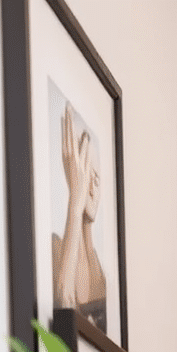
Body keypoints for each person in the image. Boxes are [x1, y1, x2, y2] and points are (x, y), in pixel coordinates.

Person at [52, 103, 107, 332]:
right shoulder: (56, 246)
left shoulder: (98, 270)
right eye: (88, 175)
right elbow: (64, 305)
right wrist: (75, 200)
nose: (92, 189)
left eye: (97, 180)